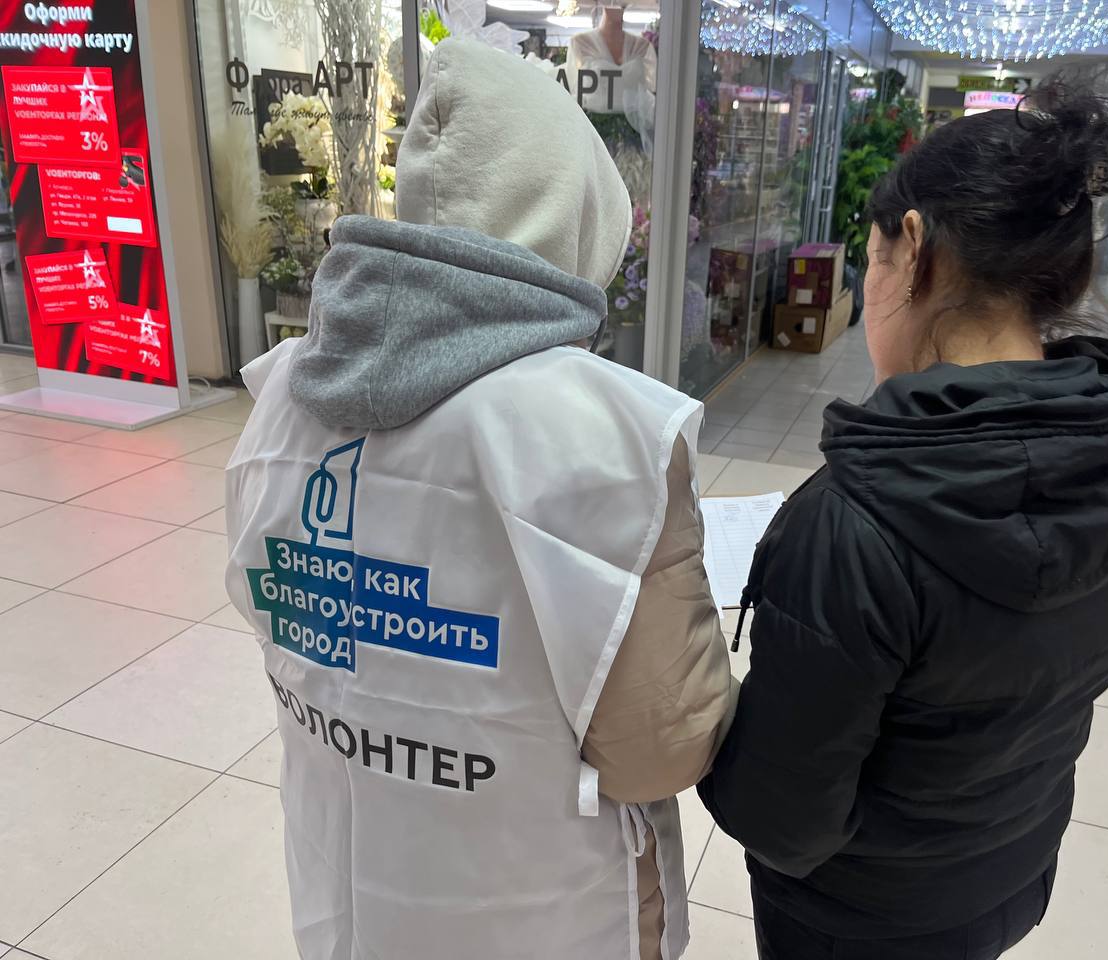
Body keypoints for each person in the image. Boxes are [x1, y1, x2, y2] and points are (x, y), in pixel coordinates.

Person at [225, 38, 732, 960]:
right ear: (580, 218)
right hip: (541, 907)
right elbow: (660, 744)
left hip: (357, 880)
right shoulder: (601, 436)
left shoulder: (280, 399)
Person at [698, 77, 1108, 960]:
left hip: (855, 919)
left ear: (913, 249)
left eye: (872, 258)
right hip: (1010, 871)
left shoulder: (856, 525)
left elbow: (782, 817)